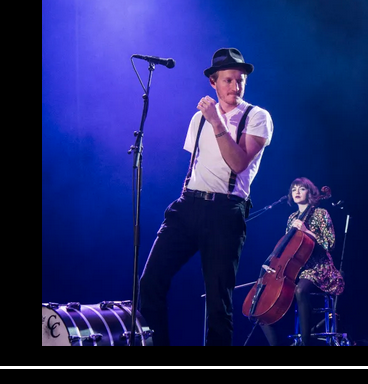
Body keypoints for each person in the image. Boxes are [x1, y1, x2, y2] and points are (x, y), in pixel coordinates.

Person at [138, 47, 274, 346]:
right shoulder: (197, 119)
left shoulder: (257, 117)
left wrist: (216, 121)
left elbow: (237, 163)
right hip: (188, 206)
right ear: (213, 82)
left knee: (217, 301)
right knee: (149, 283)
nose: (235, 87)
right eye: (228, 80)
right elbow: (198, 163)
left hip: (226, 211)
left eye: (240, 81)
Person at [259, 177, 344, 346]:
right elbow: (288, 247)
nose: (297, 192)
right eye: (294, 189)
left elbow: (329, 244)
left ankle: (306, 343)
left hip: (320, 268)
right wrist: (272, 262)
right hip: (297, 269)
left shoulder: (321, 213)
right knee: (264, 301)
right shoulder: (292, 218)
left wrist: (307, 231)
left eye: (302, 189)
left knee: (300, 291)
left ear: (310, 192)